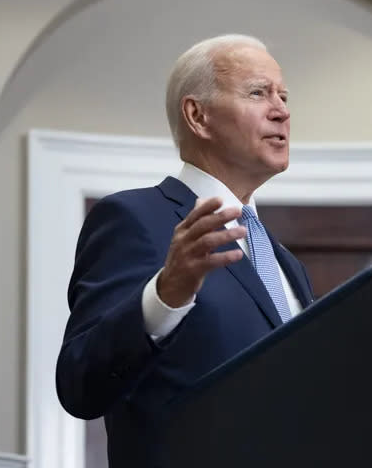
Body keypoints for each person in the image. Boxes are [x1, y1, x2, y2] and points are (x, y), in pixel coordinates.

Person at [55, 33, 316, 467]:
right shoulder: (134, 218)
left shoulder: (286, 264)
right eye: (258, 93)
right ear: (198, 116)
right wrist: (163, 297)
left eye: (284, 96)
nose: (282, 111)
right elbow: (80, 383)